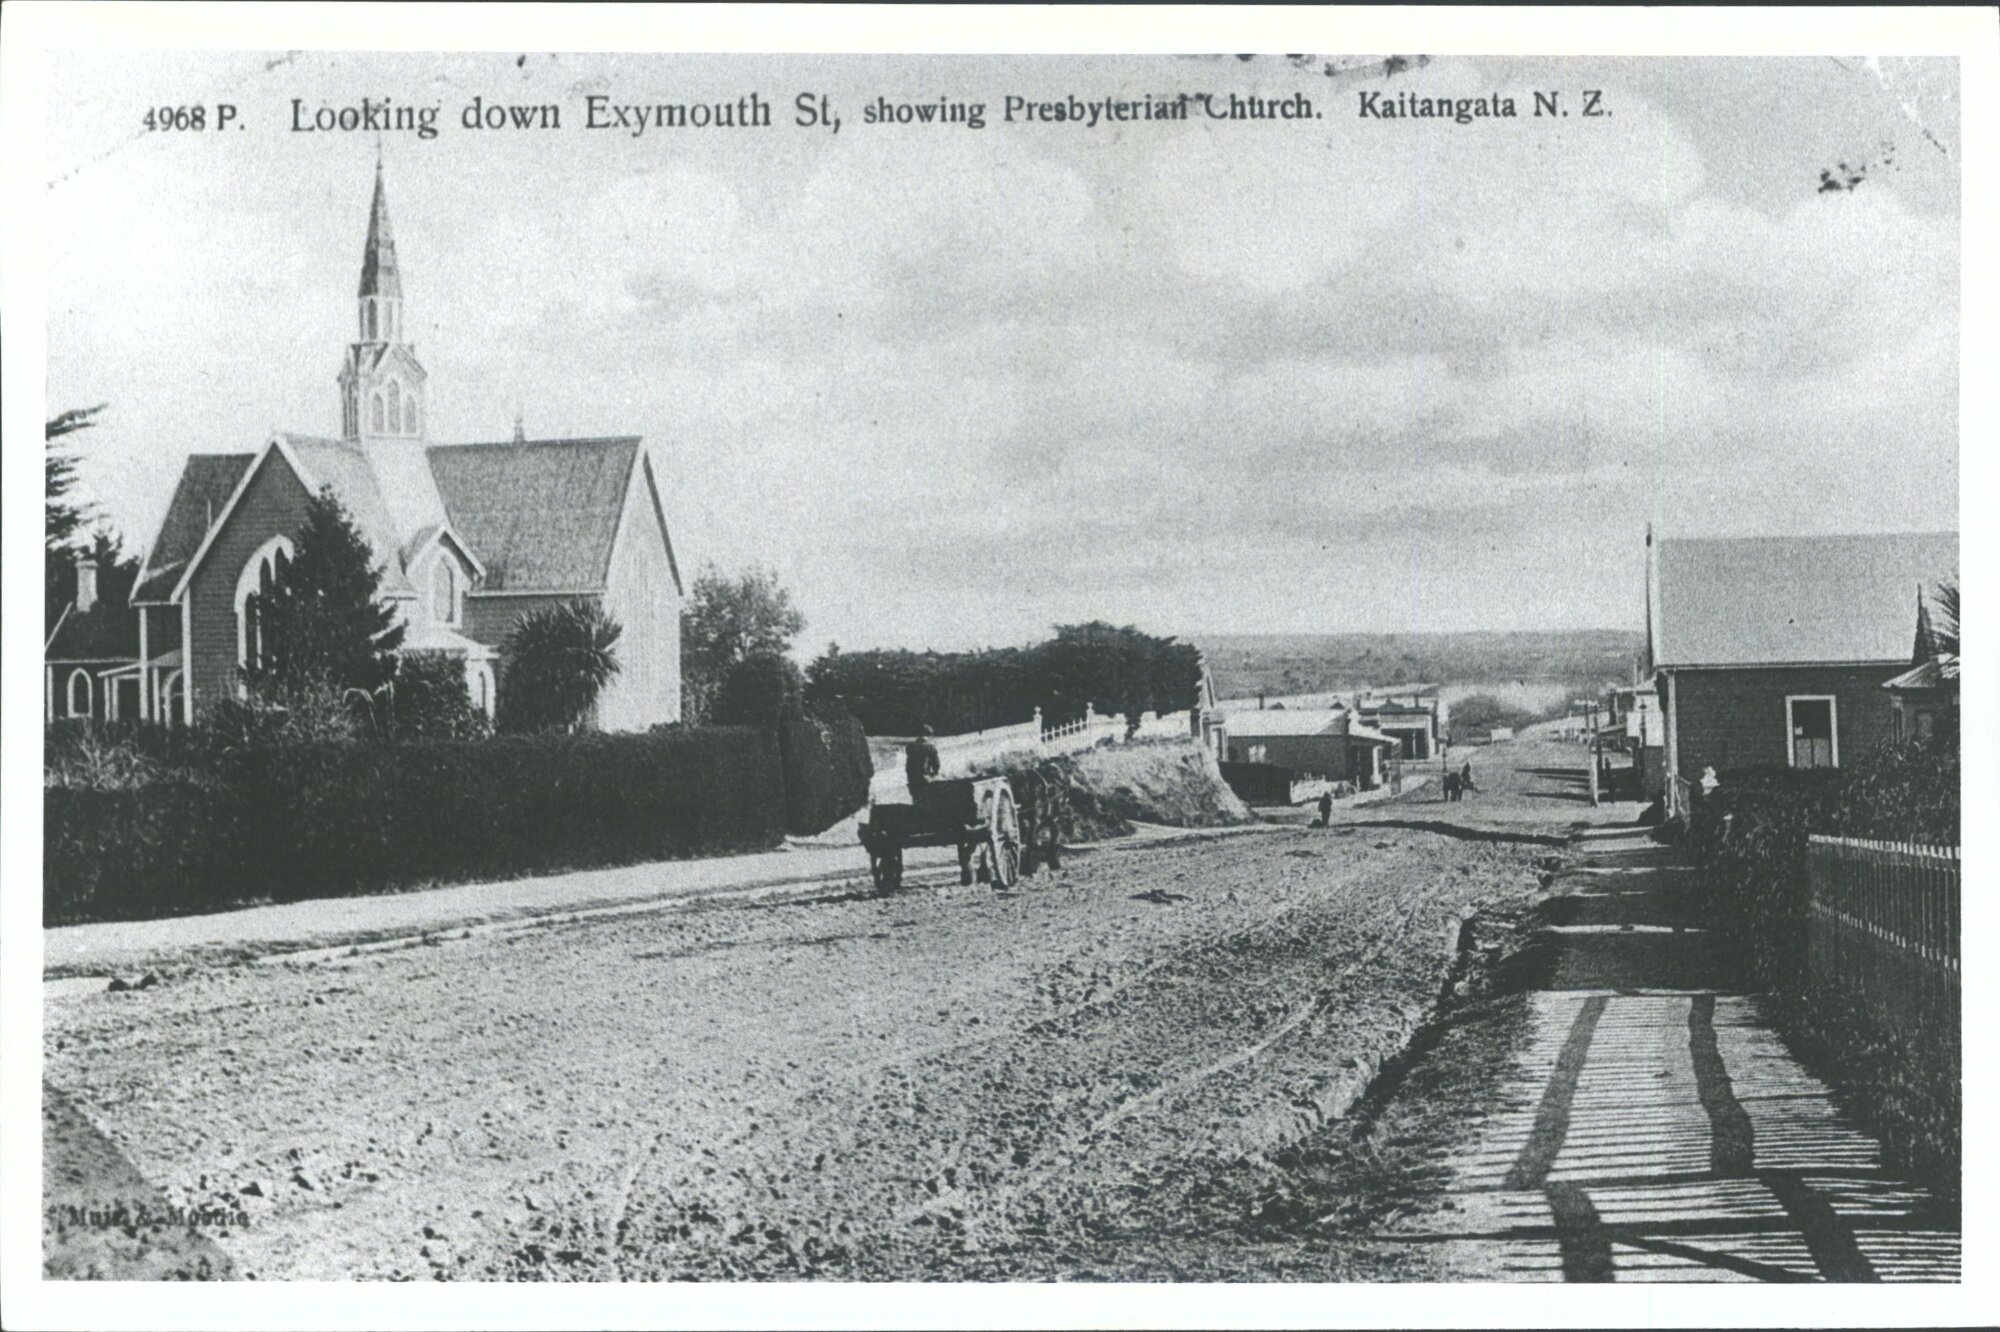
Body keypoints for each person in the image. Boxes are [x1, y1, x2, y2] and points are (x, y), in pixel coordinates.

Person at [905, 723, 941, 802]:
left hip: (912, 778)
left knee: (915, 800)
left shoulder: (910, 746)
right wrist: (935, 773)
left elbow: (908, 764)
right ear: (929, 735)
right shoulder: (930, 747)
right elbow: (936, 764)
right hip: (924, 778)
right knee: (926, 802)